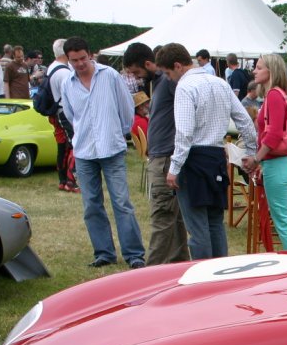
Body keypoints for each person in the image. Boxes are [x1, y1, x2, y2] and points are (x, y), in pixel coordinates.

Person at [157, 43, 257, 259]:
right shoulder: (220, 83)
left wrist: (174, 168)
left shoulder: (185, 88)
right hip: (216, 158)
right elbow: (245, 121)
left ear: (177, 65)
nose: (169, 79)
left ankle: (203, 280)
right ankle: (221, 274)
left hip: (193, 159)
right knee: (214, 223)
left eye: (167, 73)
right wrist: (251, 152)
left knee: (198, 227)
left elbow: (184, 133)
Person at [60, 36, 146, 269]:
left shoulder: (109, 76)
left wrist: (117, 133)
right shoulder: (67, 83)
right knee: (91, 204)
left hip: (112, 148)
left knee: (121, 202)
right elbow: (70, 114)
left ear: (90, 55)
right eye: (74, 60)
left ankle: (134, 254)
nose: (79, 64)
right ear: (68, 59)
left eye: (82, 58)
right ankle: (104, 252)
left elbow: (126, 109)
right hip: (85, 151)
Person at [123, 41, 189, 265]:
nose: (137, 78)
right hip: (161, 157)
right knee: (175, 218)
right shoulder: (158, 83)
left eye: (137, 72)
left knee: (162, 216)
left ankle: (149, 273)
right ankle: (179, 265)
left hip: (165, 159)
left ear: (149, 64)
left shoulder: (169, 82)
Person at [249, 53, 287, 250]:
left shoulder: (274, 95)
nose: (255, 70)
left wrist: (256, 159)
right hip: (278, 163)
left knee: (283, 222)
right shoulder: (277, 94)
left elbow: (273, 135)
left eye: (259, 67)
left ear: (270, 71)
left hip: (277, 164)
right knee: (284, 220)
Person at [45, 38, 76, 193]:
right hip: (64, 112)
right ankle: (70, 181)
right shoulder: (64, 72)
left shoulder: (53, 67)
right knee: (73, 145)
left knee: (63, 146)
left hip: (58, 111)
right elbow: (72, 95)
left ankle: (63, 180)